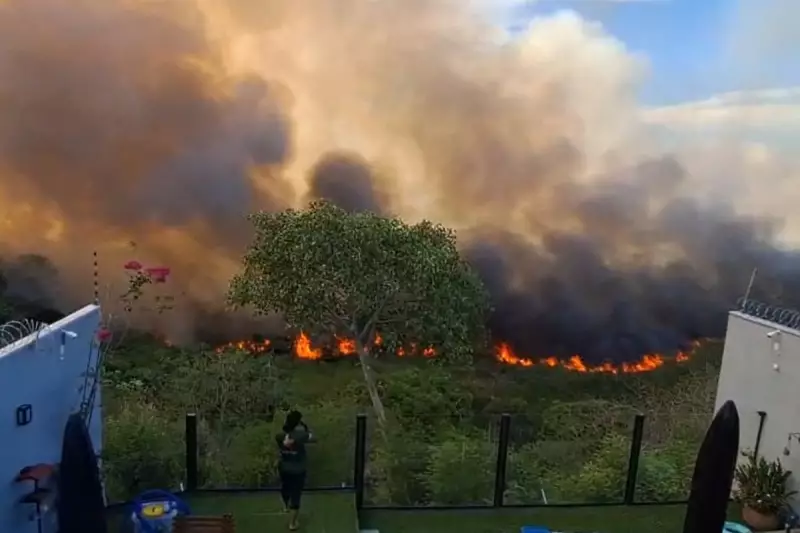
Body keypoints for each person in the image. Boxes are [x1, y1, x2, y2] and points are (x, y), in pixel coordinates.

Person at [275, 410, 313, 530]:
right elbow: (311, 436)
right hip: (298, 470)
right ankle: (292, 524)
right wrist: (304, 426)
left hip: (284, 468)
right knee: (296, 495)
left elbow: (285, 438)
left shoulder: (279, 436)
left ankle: (286, 505)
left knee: (285, 487)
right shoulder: (301, 435)